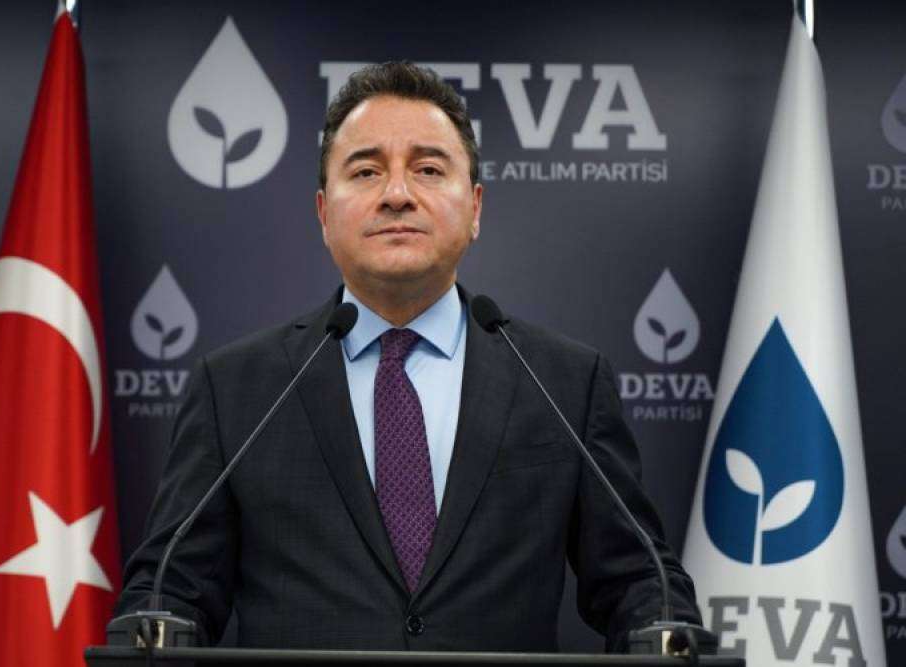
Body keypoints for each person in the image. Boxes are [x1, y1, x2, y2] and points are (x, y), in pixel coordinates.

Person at [114, 62, 700, 652]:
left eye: (428, 170)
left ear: (475, 208)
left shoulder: (564, 382)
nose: (397, 195)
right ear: (324, 213)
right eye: (366, 171)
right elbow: (170, 590)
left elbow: (638, 580)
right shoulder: (236, 388)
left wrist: (662, 627)